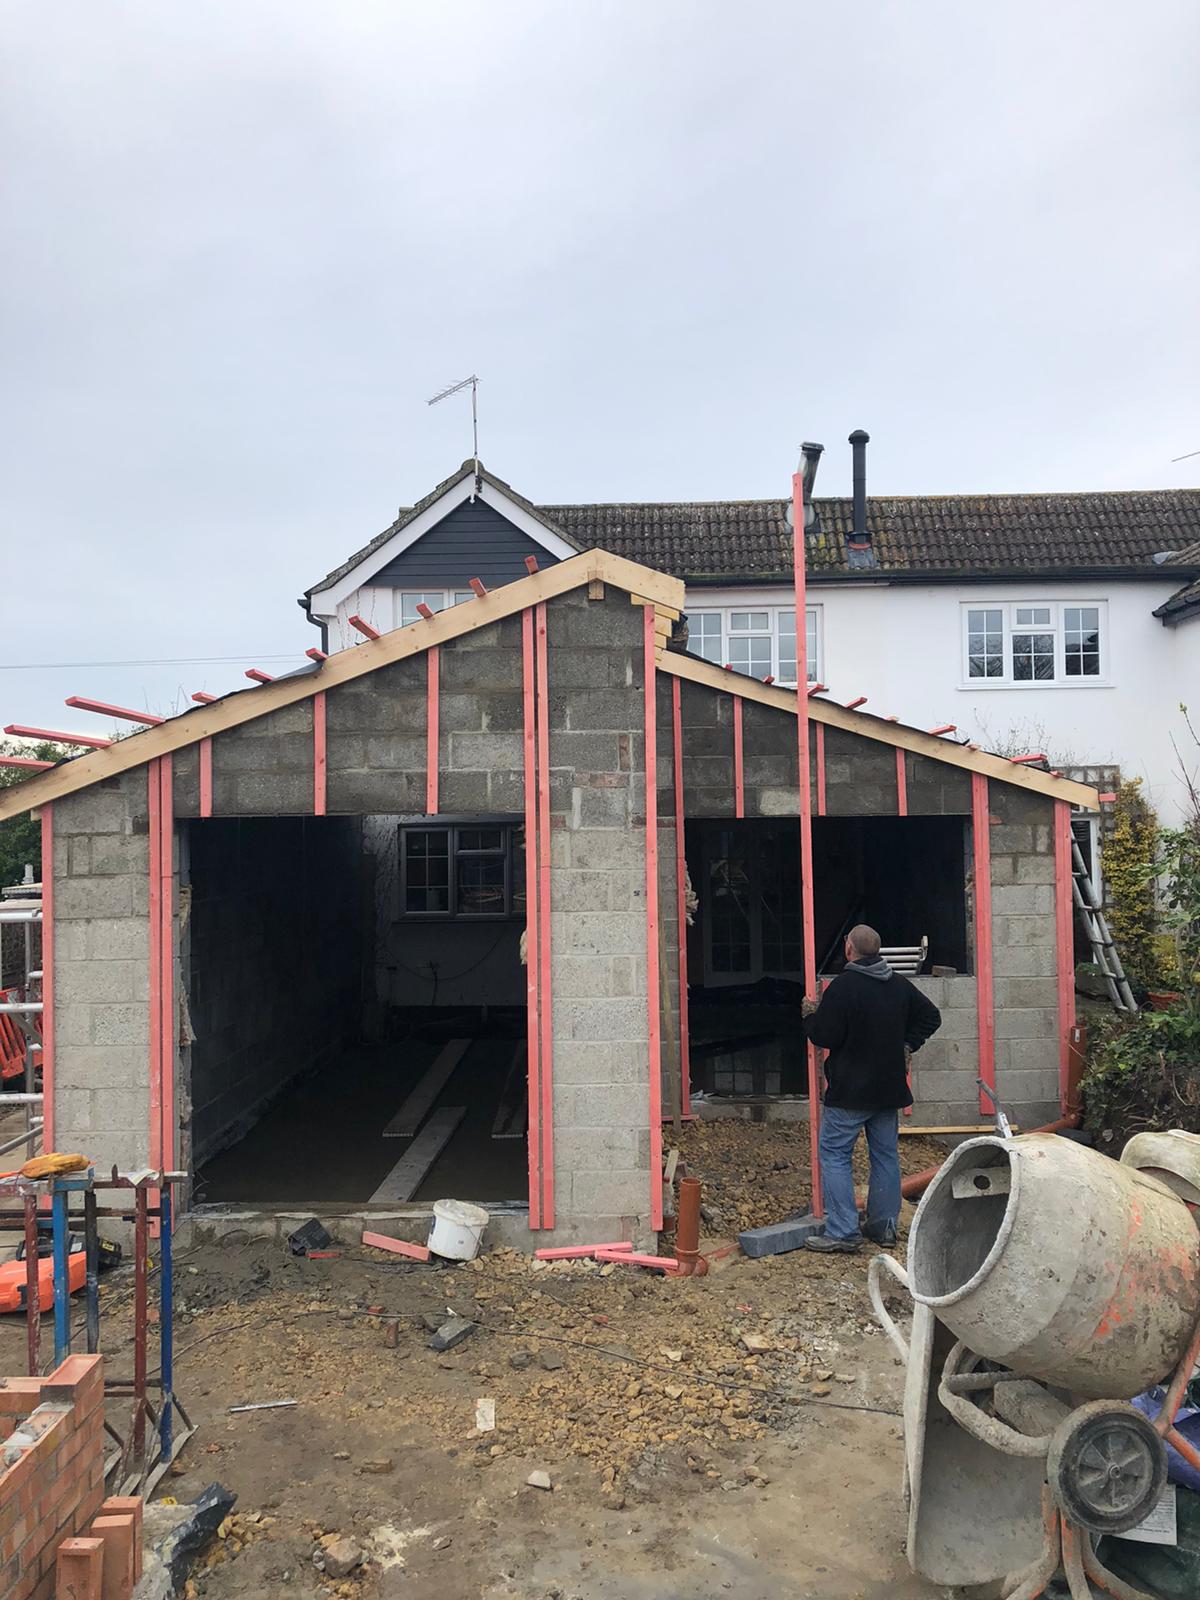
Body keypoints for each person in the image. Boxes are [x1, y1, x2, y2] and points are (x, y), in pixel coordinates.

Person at [800, 924, 941, 1253]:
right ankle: (883, 1228)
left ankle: (843, 1231)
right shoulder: (898, 985)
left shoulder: (842, 988)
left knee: (834, 1155)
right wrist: (908, 1043)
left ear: (849, 949)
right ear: (877, 951)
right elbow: (931, 1017)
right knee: (885, 1156)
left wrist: (809, 1017)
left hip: (850, 1093)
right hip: (888, 1091)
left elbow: (825, 1036)